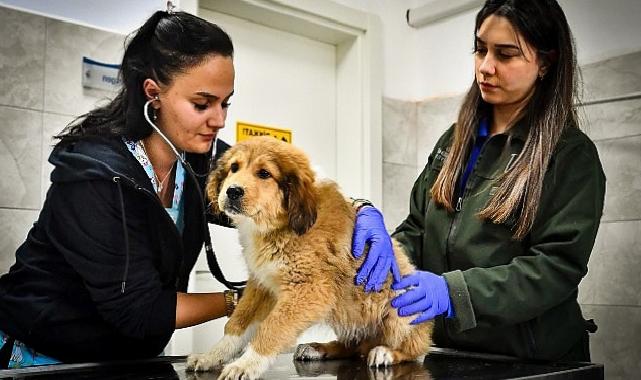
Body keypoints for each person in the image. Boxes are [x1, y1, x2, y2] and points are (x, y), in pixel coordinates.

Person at [352, 0, 605, 362]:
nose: (485, 67)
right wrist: (385, 252)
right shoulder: (454, 143)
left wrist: (453, 292)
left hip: (532, 361)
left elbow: (555, 268)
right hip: (452, 352)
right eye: (480, 49)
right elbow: (419, 229)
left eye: (505, 54)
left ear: (546, 62)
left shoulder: (569, 156)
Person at [0, 10, 241, 368]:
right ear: (153, 94)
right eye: (202, 104)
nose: (219, 120)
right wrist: (241, 300)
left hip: (126, 357)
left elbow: (277, 191)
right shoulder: (94, 175)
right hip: (41, 355)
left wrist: (353, 211)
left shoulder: (199, 157)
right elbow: (138, 310)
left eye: (226, 103)